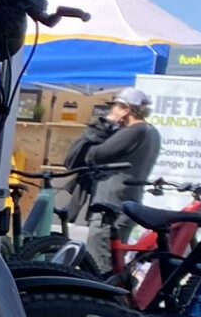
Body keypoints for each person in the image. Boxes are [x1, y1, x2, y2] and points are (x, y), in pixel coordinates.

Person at [67, 89, 161, 269]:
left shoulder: (135, 131)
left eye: (115, 107)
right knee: (111, 264)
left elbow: (93, 155)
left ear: (126, 109)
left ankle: (103, 297)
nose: (111, 112)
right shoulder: (151, 132)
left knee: (101, 267)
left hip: (110, 209)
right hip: (122, 206)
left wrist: (103, 127)